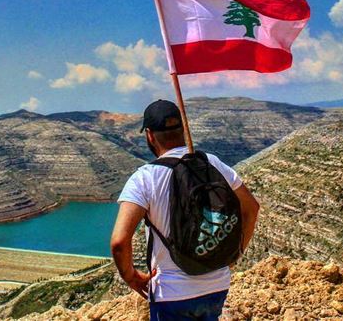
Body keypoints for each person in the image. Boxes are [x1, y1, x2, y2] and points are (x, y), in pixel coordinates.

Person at [110, 100, 260, 320]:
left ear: (150, 135)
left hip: (171, 293)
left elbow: (119, 242)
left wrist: (131, 277)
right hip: (217, 284)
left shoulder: (145, 178)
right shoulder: (212, 163)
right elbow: (252, 208)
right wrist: (235, 254)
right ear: (184, 129)